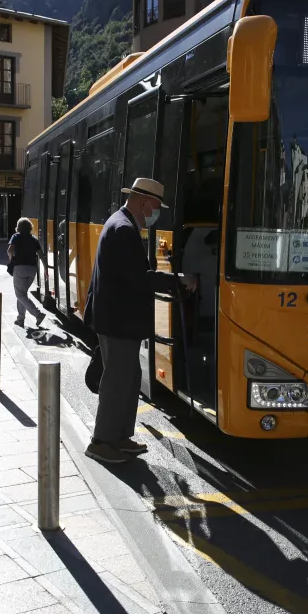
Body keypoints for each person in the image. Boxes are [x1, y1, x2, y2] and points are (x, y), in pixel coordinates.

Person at [82, 178, 196, 464]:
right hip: (117, 322)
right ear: (146, 203)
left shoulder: (121, 224)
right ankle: (101, 441)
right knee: (118, 382)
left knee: (130, 379)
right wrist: (177, 280)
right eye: (155, 208)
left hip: (119, 320)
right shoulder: (122, 229)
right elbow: (138, 278)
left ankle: (120, 437)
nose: (155, 214)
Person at [7, 218, 46, 328]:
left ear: (18, 227)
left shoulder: (16, 236)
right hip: (32, 269)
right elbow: (41, 255)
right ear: (30, 227)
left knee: (20, 294)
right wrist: (46, 269)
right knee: (22, 294)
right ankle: (20, 318)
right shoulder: (34, 239)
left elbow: (10, 250)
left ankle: (38, 314)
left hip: (20, 268)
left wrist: (11, 259)